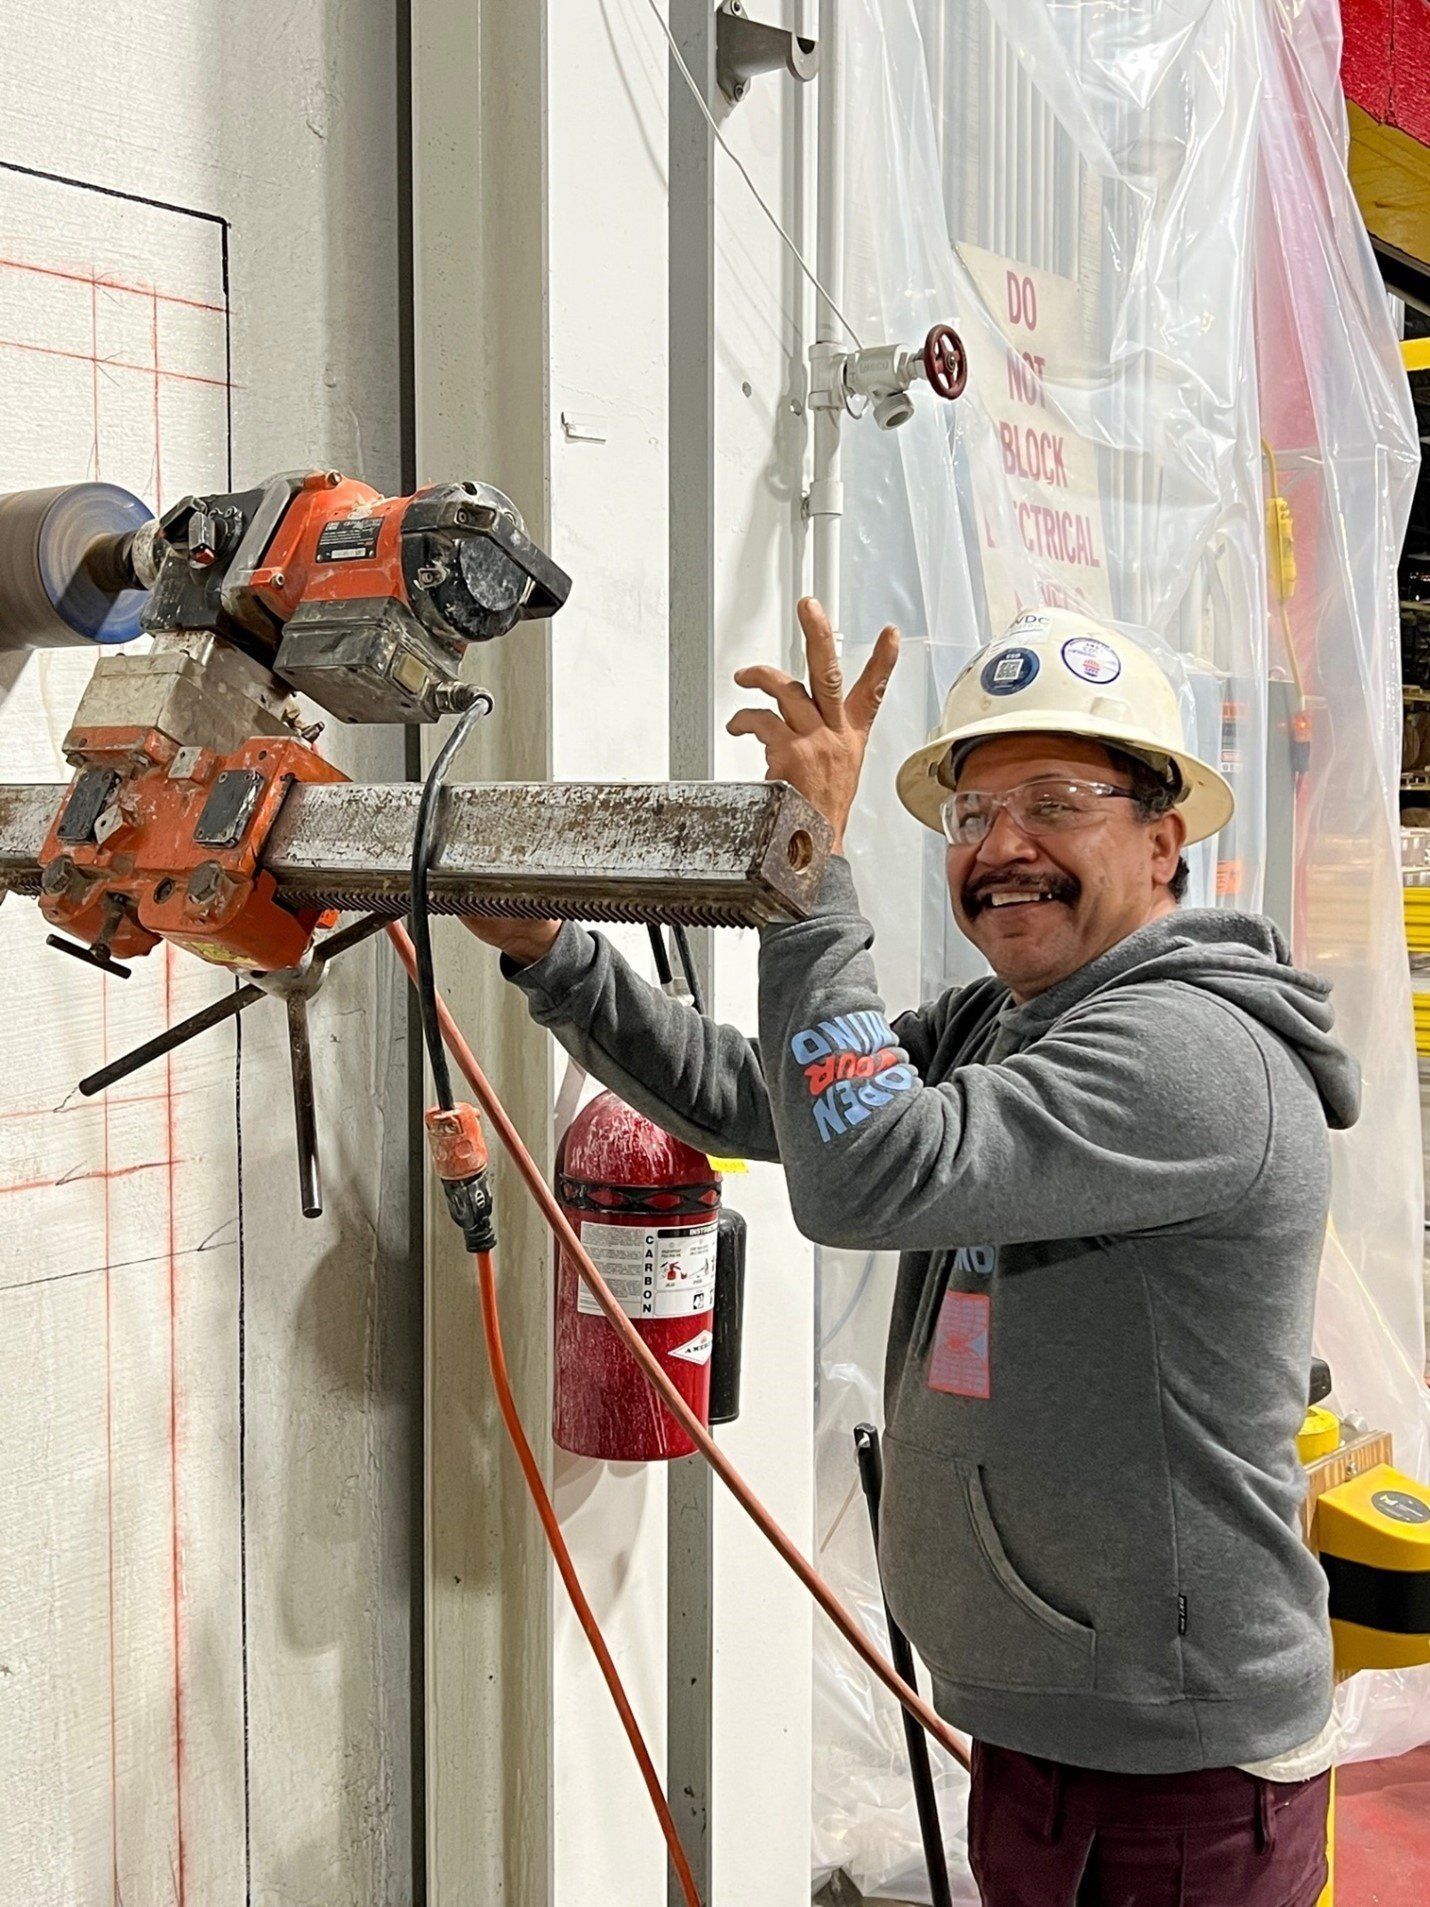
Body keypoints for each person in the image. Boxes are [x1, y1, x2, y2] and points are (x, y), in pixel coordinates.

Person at [469, 598, 1358, 1907]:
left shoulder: (1189, 1055)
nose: (1000, 849)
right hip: (1045, 1723)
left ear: (1163, 840)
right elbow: (772, 1103)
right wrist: (558, 956)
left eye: (1055, 802)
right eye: (969, 815)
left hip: (1172, 1764)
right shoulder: (1017, 1026)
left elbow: (862, 1172)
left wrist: (808, 880)